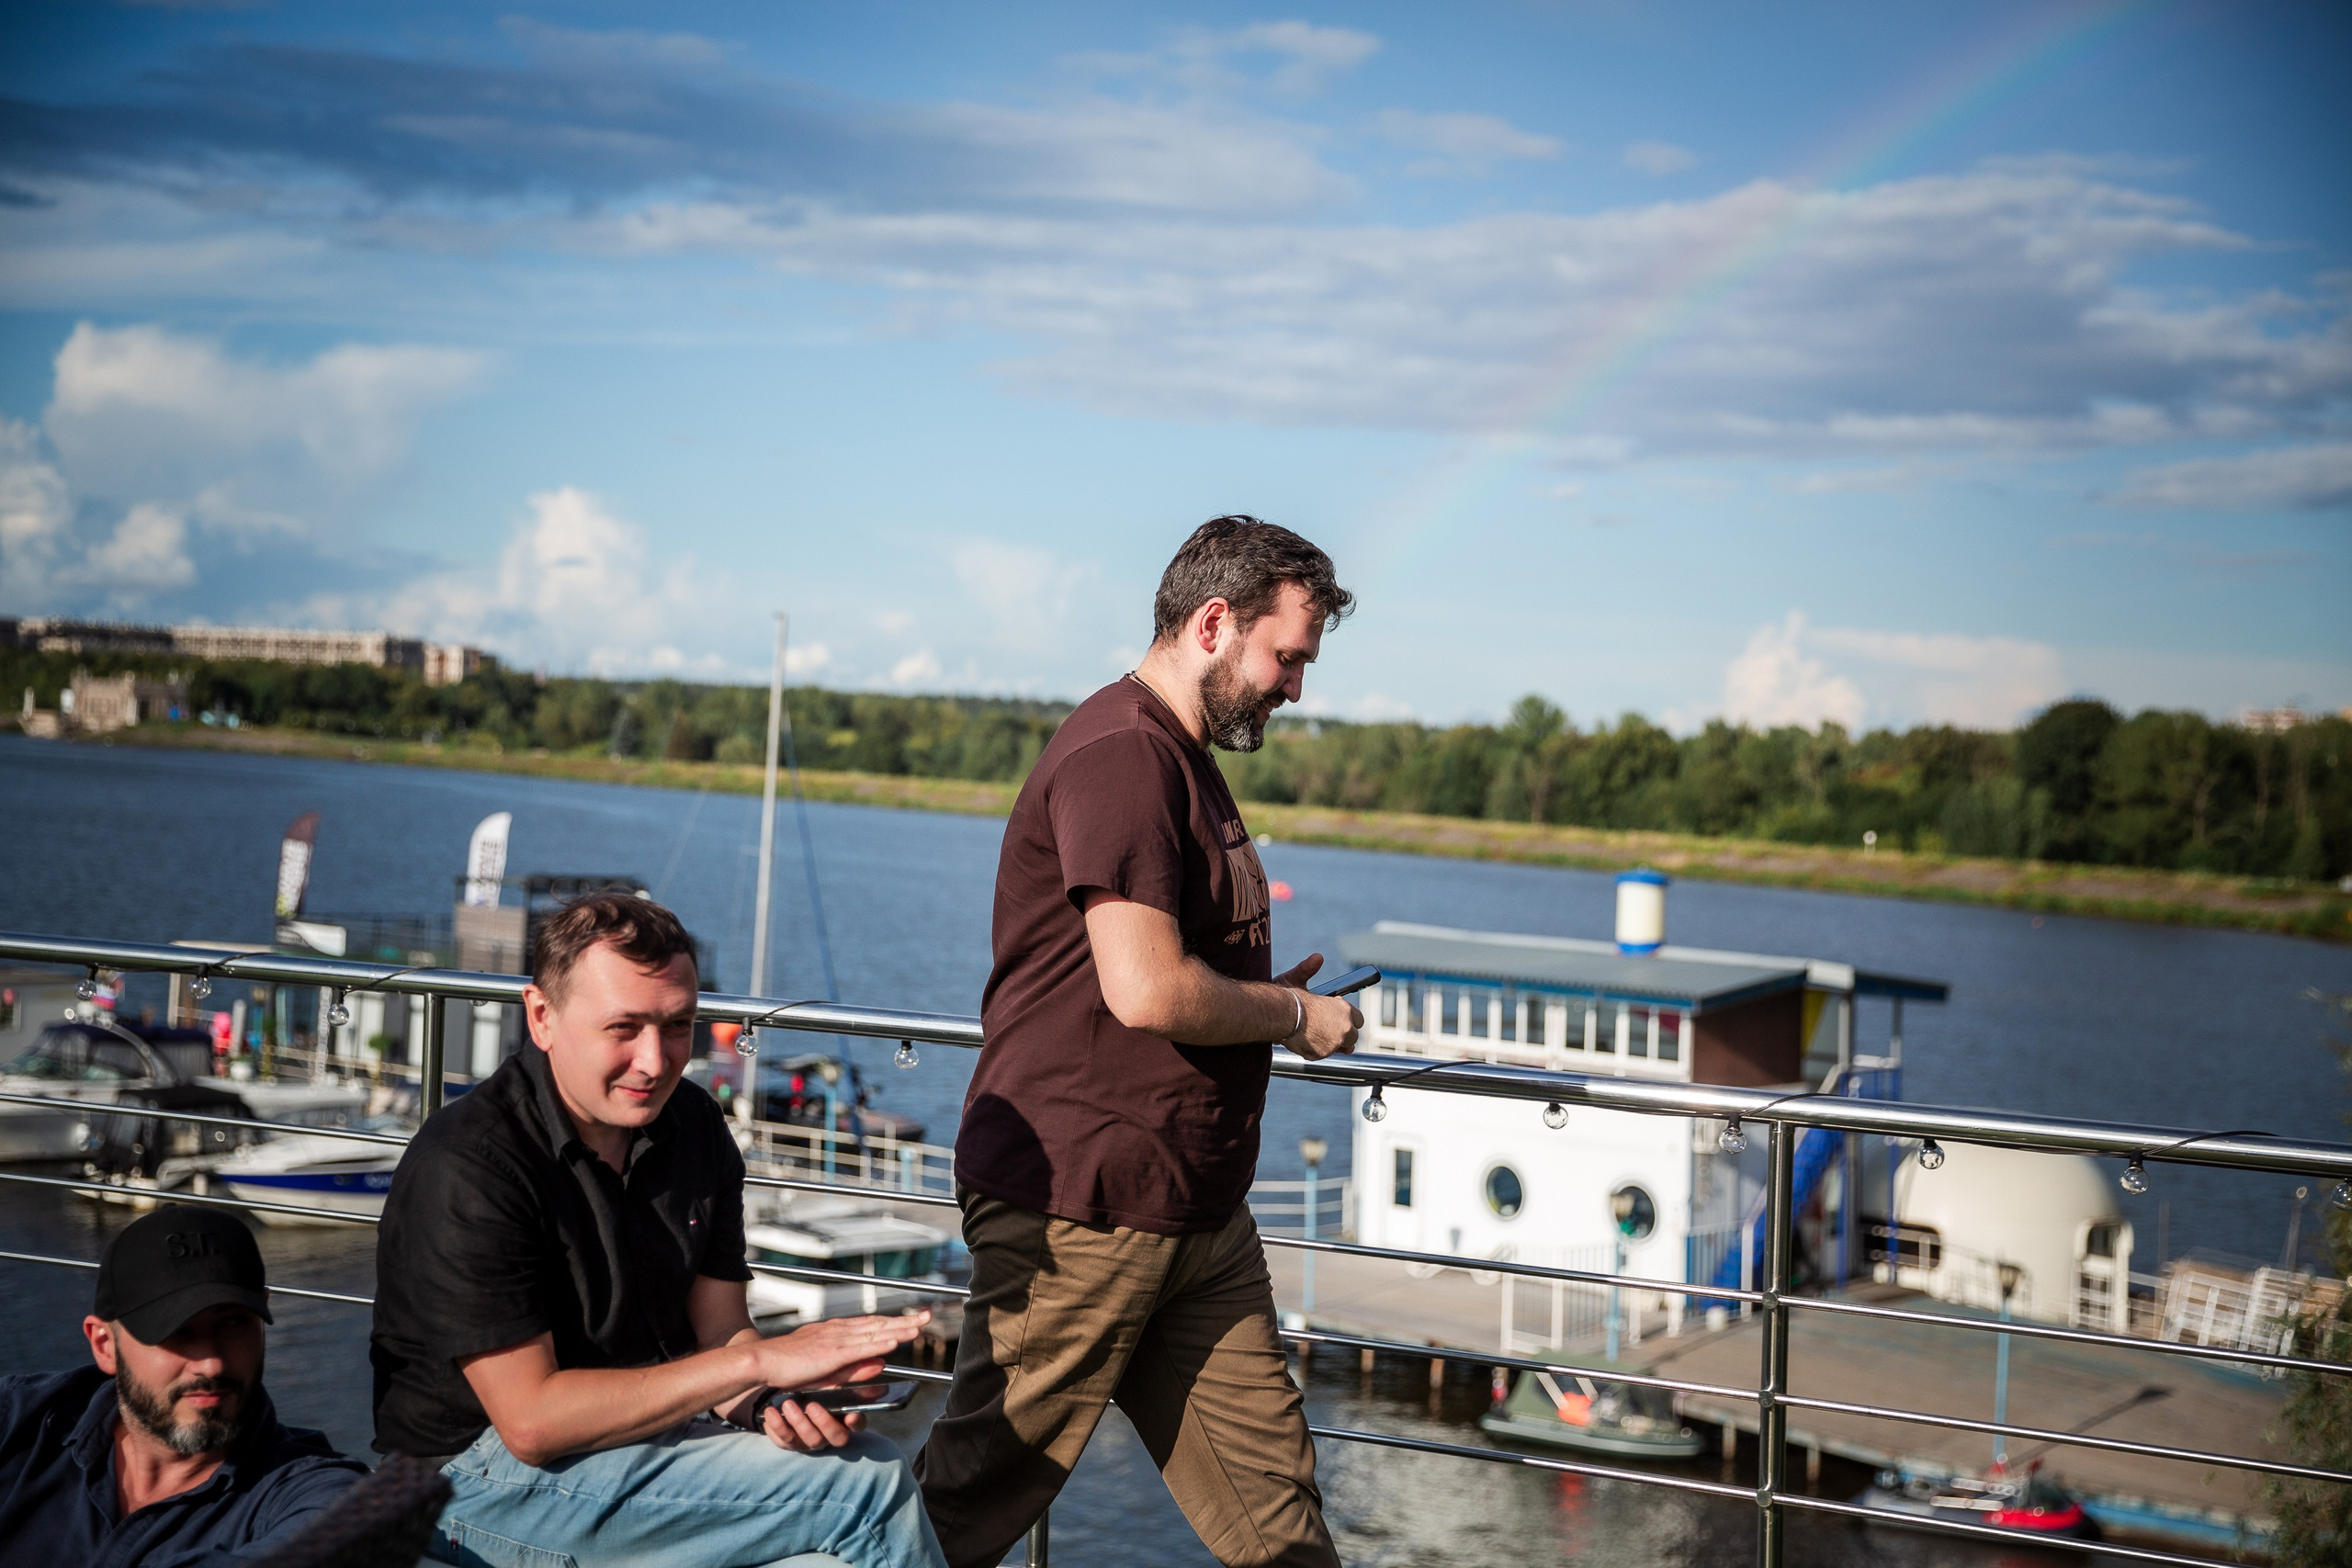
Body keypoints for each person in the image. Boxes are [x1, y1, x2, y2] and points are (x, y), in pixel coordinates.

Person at [914, 515, 1361, 1568]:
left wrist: (1255, 994)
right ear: (1213, 624)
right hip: (1085, 1205)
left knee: (1280, 1526)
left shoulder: (1180, 758)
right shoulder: (1124, 754)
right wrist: (1294, 1017)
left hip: (1195, 1211)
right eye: (1286, 657)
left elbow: (1173, 970)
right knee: (962, 1512)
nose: (1296, 689)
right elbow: (1148, 989)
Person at [370, 891, 946, 1568]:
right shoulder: (471, 1163)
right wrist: (760, 1362)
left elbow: (720, 1334)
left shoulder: (694, 1125)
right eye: (624, 1027)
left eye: (678, 1025)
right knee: (866, 1483)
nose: (655, 1060)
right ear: (542, 1017)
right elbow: (532, 1423)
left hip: (631, 1446)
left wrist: (770, 1401)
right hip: (461, 1478)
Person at [0, 1203, 367, 1566]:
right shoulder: (17, 1419)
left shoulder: (319, 1493)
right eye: (177, 1332)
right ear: (104, 1344)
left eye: (234, 1323)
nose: (212, 1363)